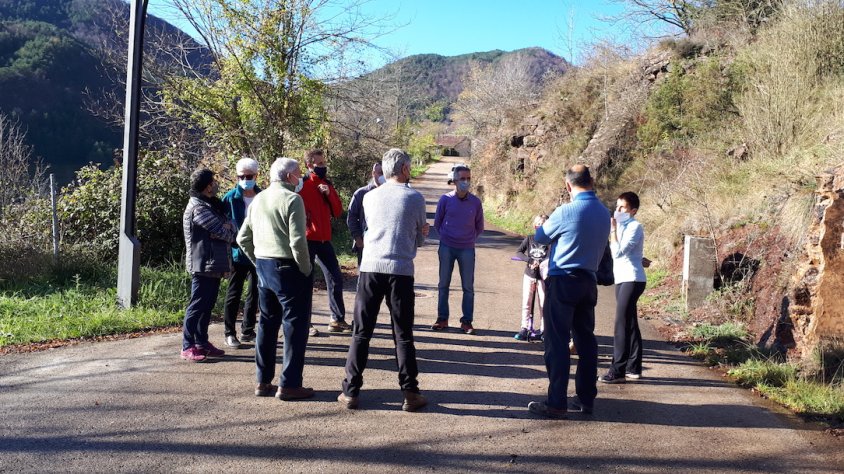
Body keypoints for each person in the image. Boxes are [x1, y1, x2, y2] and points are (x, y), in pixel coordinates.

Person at [339, 148, 430, 412]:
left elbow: (372, 228)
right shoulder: (415, 198)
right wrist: (422, 232)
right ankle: (410, 392)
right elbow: (419, 239)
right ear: (404, 169)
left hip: (370, 267)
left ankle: (351, 391)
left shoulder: (369, 197)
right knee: (403, 335)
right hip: (400, 270)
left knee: (361, 332)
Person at [528, 164, 610, 419]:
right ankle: (586, 399)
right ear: (591, 181)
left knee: (557, 342)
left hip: (563, 280)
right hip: (588, 282)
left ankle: (556, 402)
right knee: (586, 342)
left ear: (567, 185)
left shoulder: (566, 211)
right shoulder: (604, 212)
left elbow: (541, 237)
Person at [237, 157, 315, 401]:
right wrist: (306, 268)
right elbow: (297, 241)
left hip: (264, 266)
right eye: (299, 173)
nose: (301, 177)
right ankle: (289, 384)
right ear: (289, 176)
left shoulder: (258, 199)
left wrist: (258, 260)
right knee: (295, 326)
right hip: (289, 268)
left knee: (267, 324)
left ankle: (263, 381)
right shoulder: (293, 199)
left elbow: (242, 238)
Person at [181, 168, 236, 362]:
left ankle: (202, 343)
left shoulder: (210, 204)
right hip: (202, 264)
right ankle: (187, 346)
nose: (216, 184)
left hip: (213, 264)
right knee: (197, 305)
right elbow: (224, 232)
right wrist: (227, 229)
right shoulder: (199, 208)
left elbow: (230, 225)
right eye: (213, 181)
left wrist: (227, 228)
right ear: (207, 186)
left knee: (207, 306)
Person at [299, 149, 351, 334]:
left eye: (323, 163)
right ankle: (305, 323)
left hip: (324, 239)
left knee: (335, 277)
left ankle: (337, 320)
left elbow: (337, 212)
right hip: (307, 239)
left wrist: (329, 194)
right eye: (319, 164)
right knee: (306, 281)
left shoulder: (327, 184)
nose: (323, 166)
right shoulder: (301, 186)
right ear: (309, 165)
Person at [599, 191, 647, 384]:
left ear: (633, 211)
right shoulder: (621, 226)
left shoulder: (635, 226)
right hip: (622, 279)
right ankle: (633, 368)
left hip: (632, 279)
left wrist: (612, 231)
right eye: (617, 206)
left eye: (622, 207)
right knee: (630, 323)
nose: (617, 210)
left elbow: (618, 253)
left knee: (620, 324)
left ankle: (617, 371)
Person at [431, 164, 484, 335]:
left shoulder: (475, 202)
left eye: (468, 178)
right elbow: (437, 223)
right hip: (447, 247)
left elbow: (479, 226)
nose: (466, 182)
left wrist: (468, 239)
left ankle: (466, 321)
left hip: (467, 249)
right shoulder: (445, 200)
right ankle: (442, 318)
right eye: (462, 178)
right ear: (454, 180)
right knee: (443, 284)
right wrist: (447, 238)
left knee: (468, 287)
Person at [221, 157, 262, 348]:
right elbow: (221, 222)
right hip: (237, 253)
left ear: (256, 175)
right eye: (241, 176)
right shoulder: (229, 198)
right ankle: (229, 332)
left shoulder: (263, 196)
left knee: (255, 293)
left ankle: (248, 330)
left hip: (259, 252)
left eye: (249, 176)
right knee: (234, 293)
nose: (245, 179)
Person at [514, 214, 549, 342]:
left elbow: (551, 256)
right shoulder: (529, 239)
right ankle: (525, 327)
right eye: (538, 224)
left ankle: (545, 330)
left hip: (543, 277)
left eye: (543, 225)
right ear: (534, 226)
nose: (540, 227)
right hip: (529, 275)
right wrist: (530, 260)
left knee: (544, 303)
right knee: (526, 302)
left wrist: (542, 263)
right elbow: (519, 252)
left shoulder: (550, 242)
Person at [347, 162, 386, 266]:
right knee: (365, 274)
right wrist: (358, 238)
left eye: (385, 173)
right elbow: (351, 217)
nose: (382, 176)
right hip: (366, 245)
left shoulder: (393, 194)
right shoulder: (361, 193)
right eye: (380, 173)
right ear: (373, 173)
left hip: (386, 245)